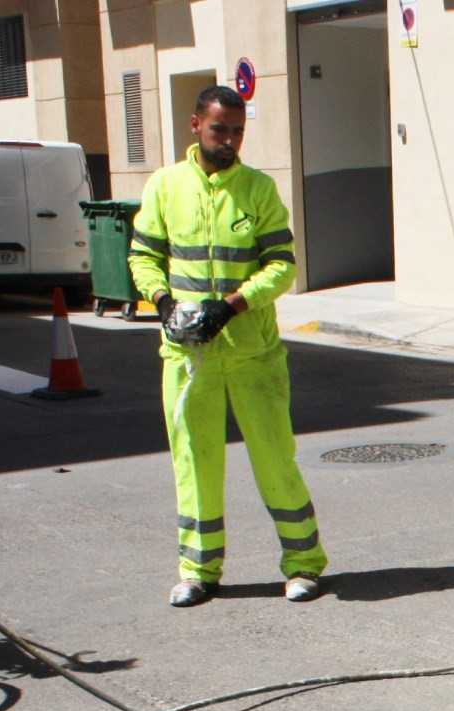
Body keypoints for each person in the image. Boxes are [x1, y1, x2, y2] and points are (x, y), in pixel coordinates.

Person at [130, 85, 325, 609]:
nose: (230, 140)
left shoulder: (258, 190)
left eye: (237, 130)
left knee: (275, 459)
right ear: (195, 125)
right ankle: (198, 570)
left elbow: (282, 267)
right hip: (188, 358)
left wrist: (232, 305)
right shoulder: (165, 186)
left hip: (252, 353)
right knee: (194, 462)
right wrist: (164, 303)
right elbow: (143, 257)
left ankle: (303, 563)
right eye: (220, 129)